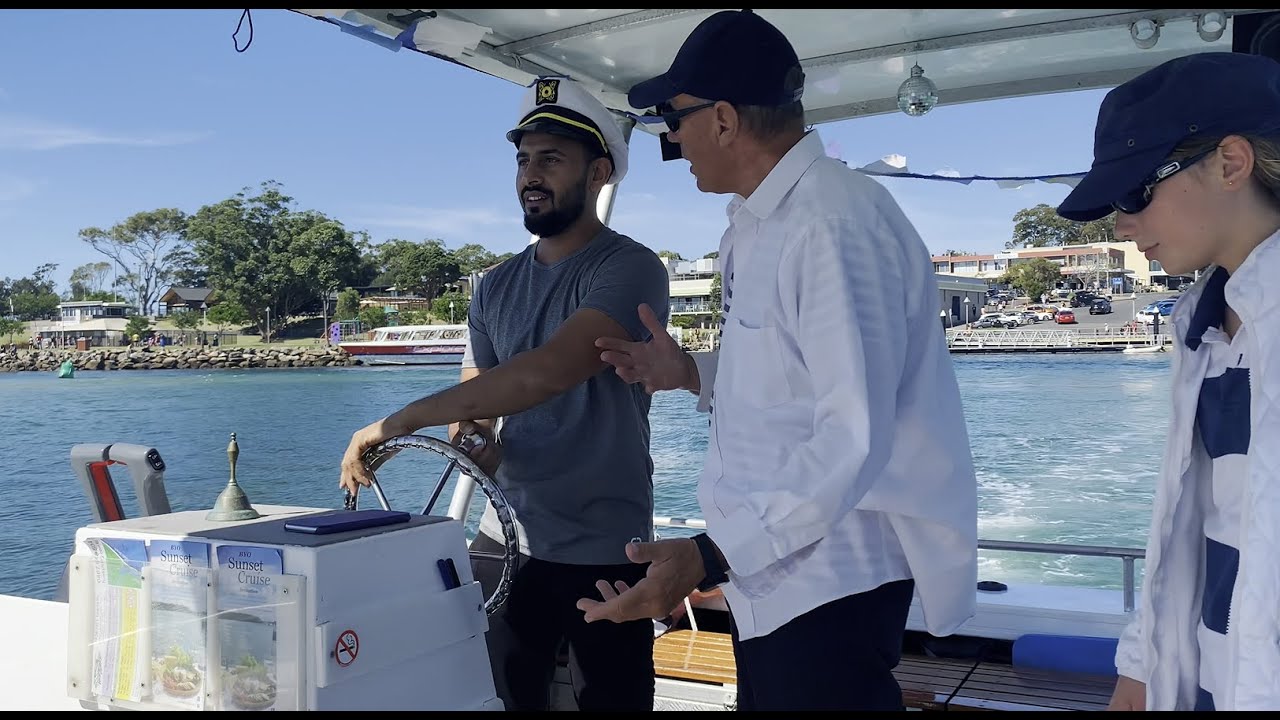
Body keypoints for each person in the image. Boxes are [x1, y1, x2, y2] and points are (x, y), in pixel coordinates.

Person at [573, 10, 978, 711]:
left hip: (832, 580)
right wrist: (691, 372)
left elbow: (852, 433)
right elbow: (794, 376)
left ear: (724, 119)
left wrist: (708, 554)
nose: (673, 137)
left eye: (675, 118)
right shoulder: (755, 227)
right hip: (771, 577)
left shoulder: (832, 223)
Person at [338, 76, 671, 712]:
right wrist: (476, 443)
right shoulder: (493, 287)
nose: (530, 176)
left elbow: (548, 371)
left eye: (551, 159)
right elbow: (481, 402)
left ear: (599, 172)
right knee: (504, 698)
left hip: (607, 543)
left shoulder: (629, 268)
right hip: (508, 538)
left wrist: (395, 423)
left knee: (614, 702)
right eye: (523, 160)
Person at [1054, 51, 1280, 712]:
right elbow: (1193, 528)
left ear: (1231, 163)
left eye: (1134, 193)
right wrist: (1143, 662)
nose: (1121, 225)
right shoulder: (1205, 325)